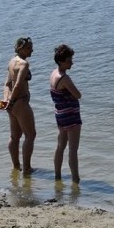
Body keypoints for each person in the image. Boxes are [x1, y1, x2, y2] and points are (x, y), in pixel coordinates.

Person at [3, 36, 36, 175]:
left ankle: (16, 166)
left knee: (14, 136)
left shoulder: (11, 62)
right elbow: (17, 84)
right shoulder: (23, 64)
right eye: (29, 48)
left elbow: (6, 84)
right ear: (20, 48)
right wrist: (11, 101)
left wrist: (6, 101)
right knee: (30, 135)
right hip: (20, 102)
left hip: (11, 104)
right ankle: (27, 169)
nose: (32, 50)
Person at [49, 44, 82, 184]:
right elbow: (78, 95)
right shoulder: (64, 78)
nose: (72, 62)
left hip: (60, 115)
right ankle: (75, 179)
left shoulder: (53, 74)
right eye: (69, 60)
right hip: (71, 116)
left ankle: (57, 176)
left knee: (60, 146)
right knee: (73, 150)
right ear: (61, 61)